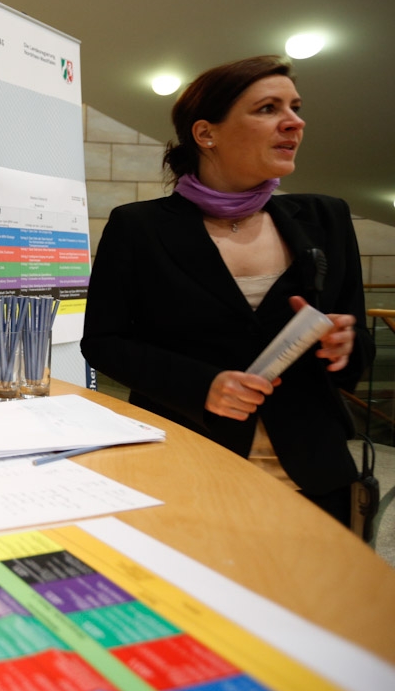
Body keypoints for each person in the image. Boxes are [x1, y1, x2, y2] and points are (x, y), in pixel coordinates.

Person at [82, 55, 373, 527]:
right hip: (187, 465)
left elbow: (355, 342)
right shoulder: (139, 227)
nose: (294, 122)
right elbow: (104, 342)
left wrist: (344, 344)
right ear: (206, 133)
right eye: (268, 108)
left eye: (295, 108)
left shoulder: (326, 218)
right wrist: (203, 386)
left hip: (315, 472)